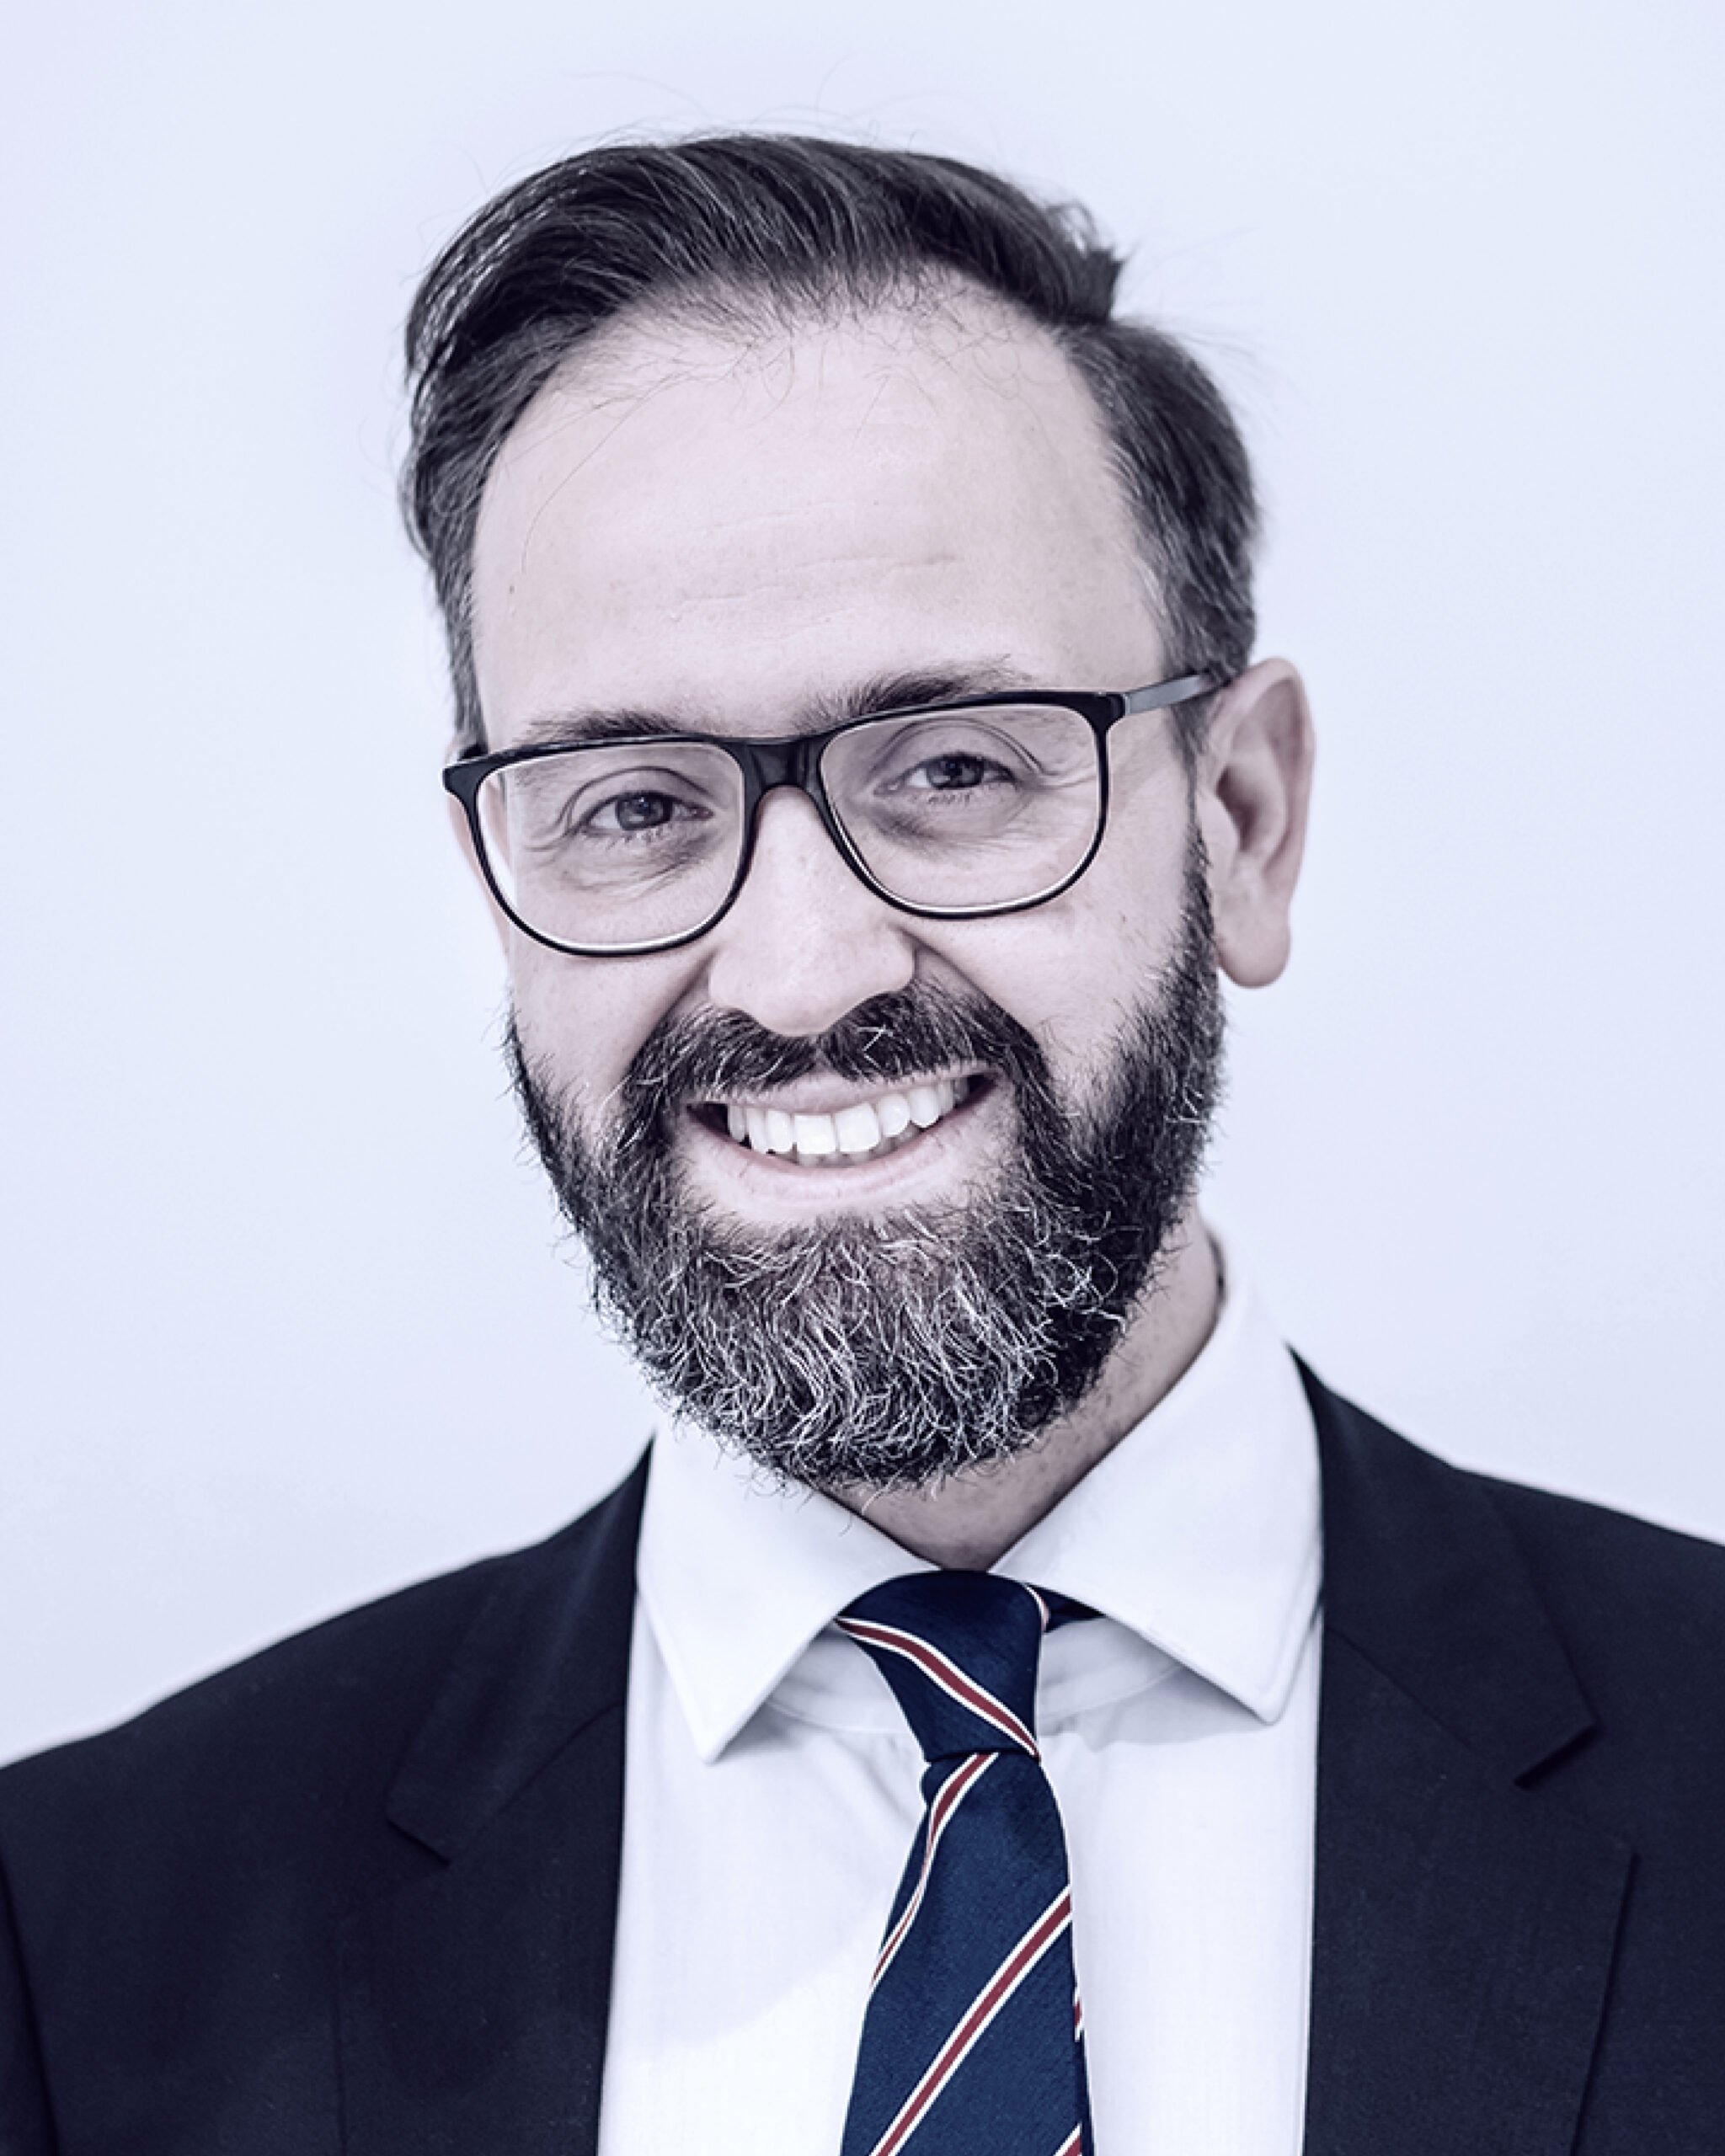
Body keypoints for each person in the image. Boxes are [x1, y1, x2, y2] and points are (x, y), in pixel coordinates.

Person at [2, 133, 1722, 2155]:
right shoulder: (83, 1943)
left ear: (1242, 821)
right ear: (501, 885)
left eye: (956, 768)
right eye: (633, 805)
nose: (804, 971)